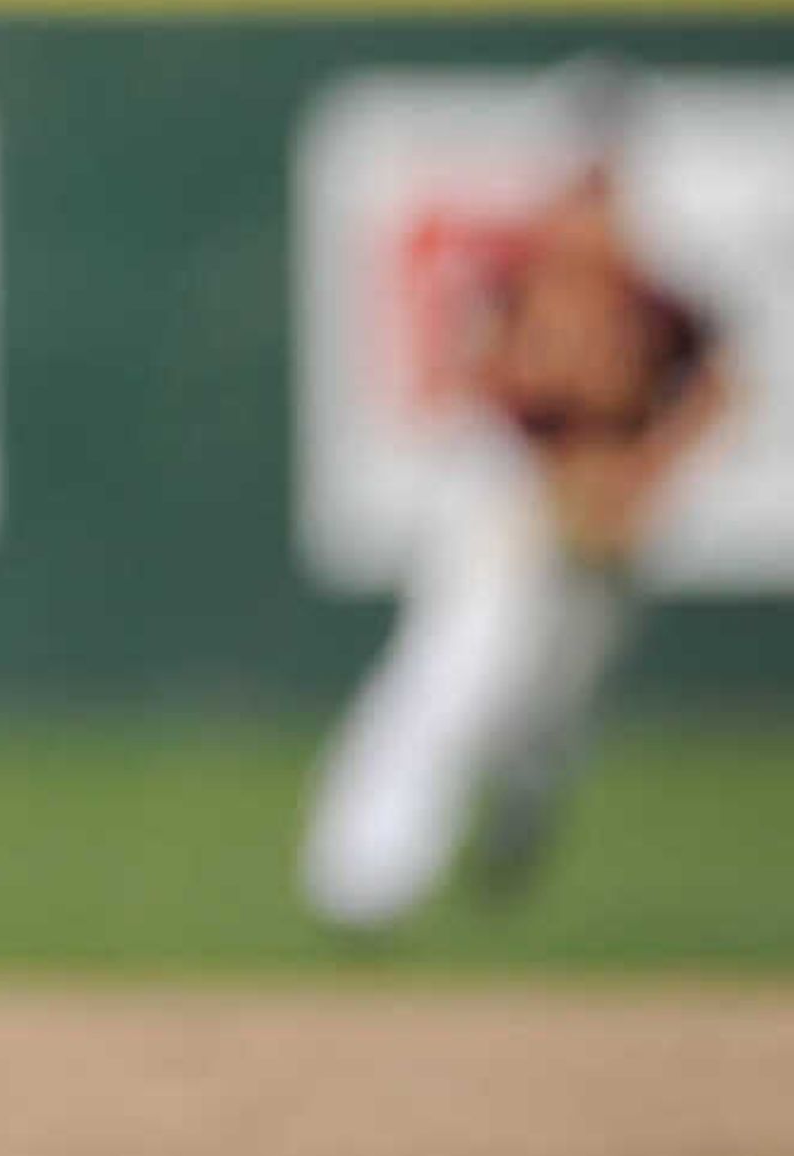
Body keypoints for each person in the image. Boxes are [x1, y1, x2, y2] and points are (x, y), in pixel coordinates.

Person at [297, 73, 735, 934]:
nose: (590, 196)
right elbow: (475, 378)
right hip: (511, 484)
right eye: (580, 177)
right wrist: (567, 475)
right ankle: (365, 879)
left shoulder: (658, 298)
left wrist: (647, 466)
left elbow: (719, 386)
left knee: (558, 693)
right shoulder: (517, 277)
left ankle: (521, 803)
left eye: (603, 177)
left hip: (607, 501)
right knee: (458, 667)